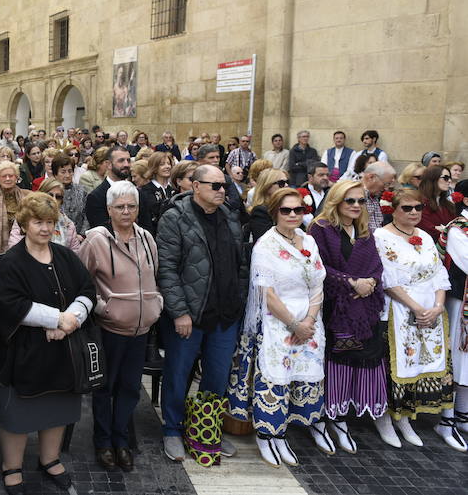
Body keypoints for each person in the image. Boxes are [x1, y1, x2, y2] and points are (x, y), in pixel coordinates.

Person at [0, 192, 95, 494]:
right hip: (23, 352)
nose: (45, 228)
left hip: (64, 349)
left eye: (50, 222)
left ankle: (49, 459)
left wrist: (70, 320)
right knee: (20, 414)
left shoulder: (65, 256)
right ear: (24, 224)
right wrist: (55, 319)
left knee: (58, 407)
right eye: (38, 222)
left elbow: (87, 289)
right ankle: (12, 466)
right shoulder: (12, 261)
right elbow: (10, 304)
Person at [228, 188, 327, 466]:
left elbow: (318, 281)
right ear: (275, 213)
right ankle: (267, 433)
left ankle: (284, 434)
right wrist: (294, 323)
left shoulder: (308, 240)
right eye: (286, 210)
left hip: (308, 319)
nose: (293, 215)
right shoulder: (266, 245)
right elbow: (266, 293)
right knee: (275, 378)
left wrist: (308, 321)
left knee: (302, 374)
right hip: (277, 321)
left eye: (299, 210)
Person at [157, 164, 248, 461]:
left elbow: (241, 265)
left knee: (218, 377)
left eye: (224, 185)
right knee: (178, 374)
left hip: (225, 315)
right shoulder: (175, 218)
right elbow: (167, 269)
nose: (223, 191)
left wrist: (240, 300)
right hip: (190, 315)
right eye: (216, 186)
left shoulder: (229, 217)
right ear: (196, 186)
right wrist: (179, 312)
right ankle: (172, 429)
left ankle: (206, 429)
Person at [78, 182, 161, 472]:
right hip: (109, 329)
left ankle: (121, 440)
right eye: (120, 207)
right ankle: (102, 441)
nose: (126, 211)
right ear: (109, 210)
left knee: (130, 389)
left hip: (140, 329)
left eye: (132, 206)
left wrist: (156, 304)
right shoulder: (96, 240)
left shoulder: (147, 237)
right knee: (104, 388)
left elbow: (154, 275)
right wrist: (103, 307)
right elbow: (82, 282)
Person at [308, 180, 389, 452]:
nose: (356, 206)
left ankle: (350, 414)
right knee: (338, 360)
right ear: (337, 201)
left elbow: (377, 266)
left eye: (361, 201)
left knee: (362, 358)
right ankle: (333, 417)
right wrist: (351, 282)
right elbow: (318, 265)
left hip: (363, 309)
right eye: (350, 200)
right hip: (335, 307)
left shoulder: (365, 231)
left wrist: (370, 283)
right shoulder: (320, 229)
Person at [373, 187, 454, 448]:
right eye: (407, 208)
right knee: (393, 366)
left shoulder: (426, 237)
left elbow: (439, 273)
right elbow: (386, 278)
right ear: (392, 210)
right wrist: (416, 308)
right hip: (399, 309)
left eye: (418, 207)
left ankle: (405, 417)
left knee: (418, 364)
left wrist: (438, 306)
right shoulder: (381, 236)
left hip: (430, 308)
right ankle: (385, 417)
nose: (414, 212)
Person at [438, 179, 468, 446]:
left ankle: (463, 414)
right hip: (461, 303)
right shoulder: (459, 229)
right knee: (458, 358)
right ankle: (447, 419)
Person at [9, 178, 81, 253]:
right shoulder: (26, 216)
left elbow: (75, 254)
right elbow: (14, 246)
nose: (54, 199)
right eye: (50, 195)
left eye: (58, 197)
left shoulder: (68, 225)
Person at [85, 146, 132, 230]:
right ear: (109, 164)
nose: (126, 164)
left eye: (128, 160)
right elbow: (100, 231)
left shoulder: (137, 192)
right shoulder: (96, 197)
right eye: (121, 161)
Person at [245, 168, 289, 243]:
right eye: (281, 183)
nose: (286, 185)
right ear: (267, 187)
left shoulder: (289, 207)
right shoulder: (260, 212)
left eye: (287, 182)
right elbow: (266, 241)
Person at [416, 165, 456, 243]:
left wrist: (443, 229)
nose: (450, 181)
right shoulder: (420, 201)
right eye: (445, 178)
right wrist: (446, 229)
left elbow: (456, 226)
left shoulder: (447, 204)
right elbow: (427, 228)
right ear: (433, 178)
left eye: (450, 178)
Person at [137, 152, 174, 235]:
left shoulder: (173, 189)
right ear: (154, 167)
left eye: (168, 163)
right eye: (162, 164)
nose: (167, 166)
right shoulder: (145, 191)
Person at [52, 153, 88, 236]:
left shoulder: (82, 190)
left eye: (70, 171)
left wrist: (82, 235)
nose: (67, 175)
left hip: (80, 237)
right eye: (63, 172)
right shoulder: (50, 192)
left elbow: (86, 215)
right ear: (55, 174)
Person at [362, 161, 397, 231]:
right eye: (386, 184)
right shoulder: (355, 197)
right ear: (371, 177)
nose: (386, 189)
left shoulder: (376, 196)